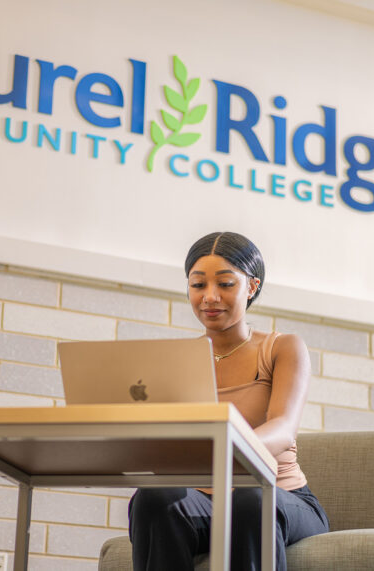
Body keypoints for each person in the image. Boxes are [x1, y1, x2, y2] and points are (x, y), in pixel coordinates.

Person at [126, 231, 329, 571]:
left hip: (279, 496)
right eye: (198, 285)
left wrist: (221, 448)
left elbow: (282, 429)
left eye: (225, 284)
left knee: (250, 500)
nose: (210, 297)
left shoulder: (282, 348)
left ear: (251, 287)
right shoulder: (180, 360)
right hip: (204, 502)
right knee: (153, 497)